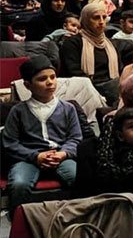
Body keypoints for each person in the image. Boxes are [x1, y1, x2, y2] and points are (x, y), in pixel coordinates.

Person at [2, 57, 80, 211]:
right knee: (19, 184)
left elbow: (75, 138)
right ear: (27, 85)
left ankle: (78, 218)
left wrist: (63, 154)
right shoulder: (18, 111)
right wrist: (35, 156)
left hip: (60, 156)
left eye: (52, 77)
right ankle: (19, 223)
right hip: (28, 159)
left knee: (78, 177)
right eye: (42, 79)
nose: (50, 82)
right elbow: (10, 143)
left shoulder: (68, 108)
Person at [59, 2, 121, 105]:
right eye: (96, 18)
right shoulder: (73, 43)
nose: (101, 22)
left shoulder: (110, 44)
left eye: (104, 17)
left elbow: (120, 69)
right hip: (86, 88)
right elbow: (73, 71)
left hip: (111, 85)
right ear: (86, 20)